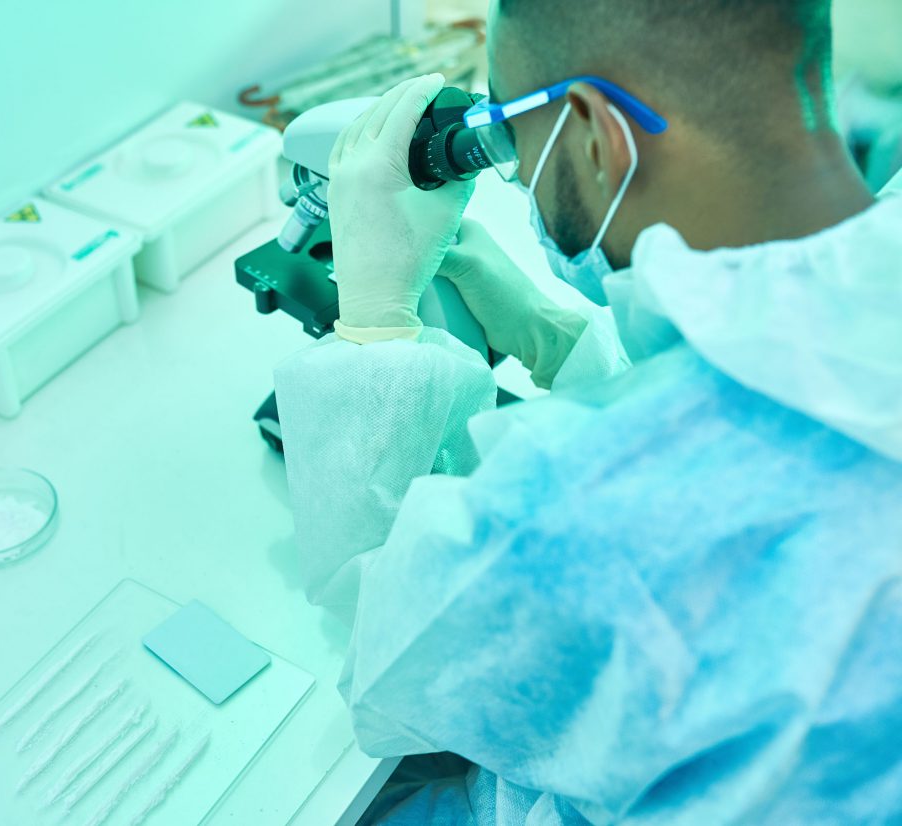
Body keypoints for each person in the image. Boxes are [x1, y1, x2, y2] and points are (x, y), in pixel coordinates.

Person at [272, 0, 902, 823]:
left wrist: (376, 326)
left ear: (598, 137)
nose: (521, 182)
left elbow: (393, 667)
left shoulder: (584, 503)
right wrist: (558, 341)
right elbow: (770, 383)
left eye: (514, 149)